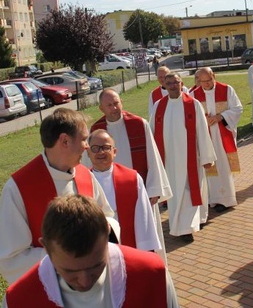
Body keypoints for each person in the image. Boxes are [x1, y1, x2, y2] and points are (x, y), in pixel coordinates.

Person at [0, 195, 198, 308]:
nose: (85, 281)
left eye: (96, 266)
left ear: (107, 234)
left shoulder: (150, 275)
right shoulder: (20, 302)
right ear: (46, 248)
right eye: (71, 271)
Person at [0, 108, 117, 284]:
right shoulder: (19, 188)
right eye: (83, 139)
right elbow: (12, 258)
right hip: (51, 288)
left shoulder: (85, 175)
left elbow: (108, 216)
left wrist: (106, 229)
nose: (87, 146)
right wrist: (69, 257)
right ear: (65, 140)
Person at [85, 88, 172, 262]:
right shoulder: (96, 130)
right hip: (106, 193)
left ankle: (153, 265)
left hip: (138, 191)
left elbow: (153, 156)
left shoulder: (139, 124)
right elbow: (88, 163)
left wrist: (154, 188)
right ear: (101, 108)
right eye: (109, 105)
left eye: (116, 103)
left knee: (145, 233)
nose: (114, 108)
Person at [151, 72, 216, 242]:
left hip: (190, 158)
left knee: (190, 192)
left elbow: (202, 131)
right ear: (164, 84)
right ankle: (180, 224)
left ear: (182, 83)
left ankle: (187, 227)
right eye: (169, 82)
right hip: (169, 160)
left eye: (176, 82)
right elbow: (151, 133)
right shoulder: (158, 106)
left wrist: (207, 156)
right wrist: (153, 160)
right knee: (175, 194)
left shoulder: (192, 104)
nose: (173, 85)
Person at [87, 130, 162, 252]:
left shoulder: (132, 179)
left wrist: (146, 250)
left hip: (127, 247)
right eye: (95, 148)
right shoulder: (82, 181)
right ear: (88, 152)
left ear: (114, 152)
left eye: (106, 148)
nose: (101, 152)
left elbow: (143, 218)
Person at [191, 67, 243, 212]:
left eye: (209, 80)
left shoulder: (227, 90)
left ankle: (226, 199)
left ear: (214, 76)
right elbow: (188, 117)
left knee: (223, 165)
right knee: (209, 166)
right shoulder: (193, 94)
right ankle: (211, 199)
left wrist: (221, 117)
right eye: (203, 82)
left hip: (222, 135)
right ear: (198, 81)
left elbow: (238, 108)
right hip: (205, 137)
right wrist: (202, 120)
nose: (207, 84)